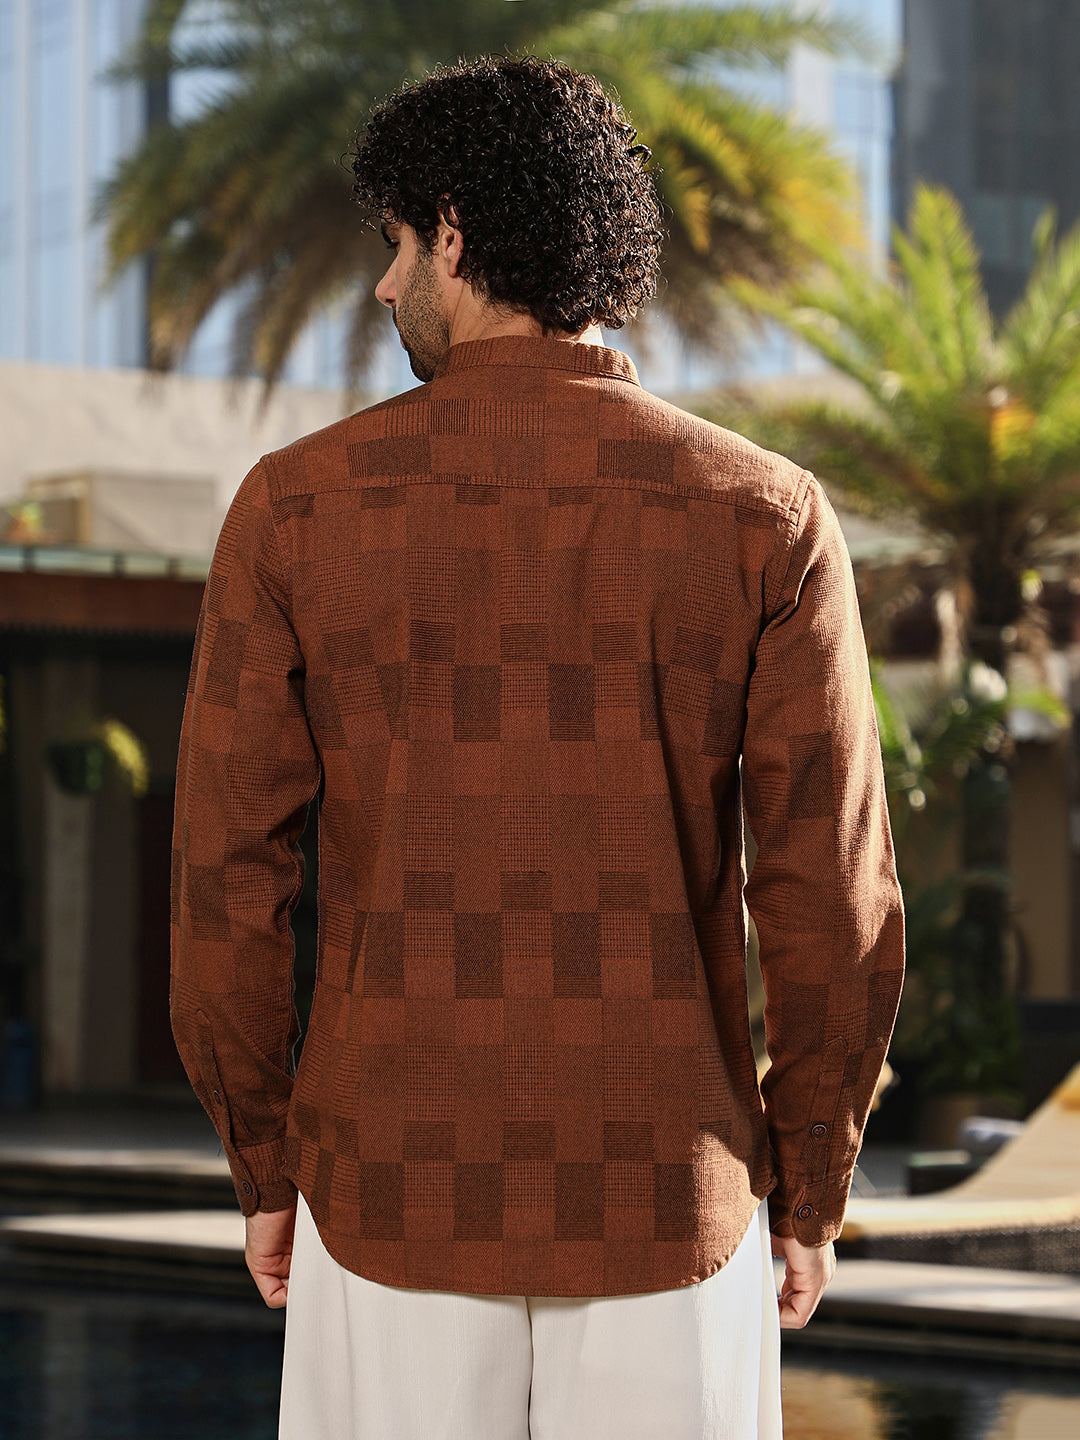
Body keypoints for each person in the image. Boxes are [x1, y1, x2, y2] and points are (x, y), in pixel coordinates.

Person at [171, 54, 904, 1440]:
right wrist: (810, 1188)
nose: (383, 285)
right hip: (673, 1204)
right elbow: (834, 893)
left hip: (383, 1193)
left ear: (454, 233)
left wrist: (263, 1163)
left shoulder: (295, 510)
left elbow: (228, 879)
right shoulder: (767, 513)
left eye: (397, 244)